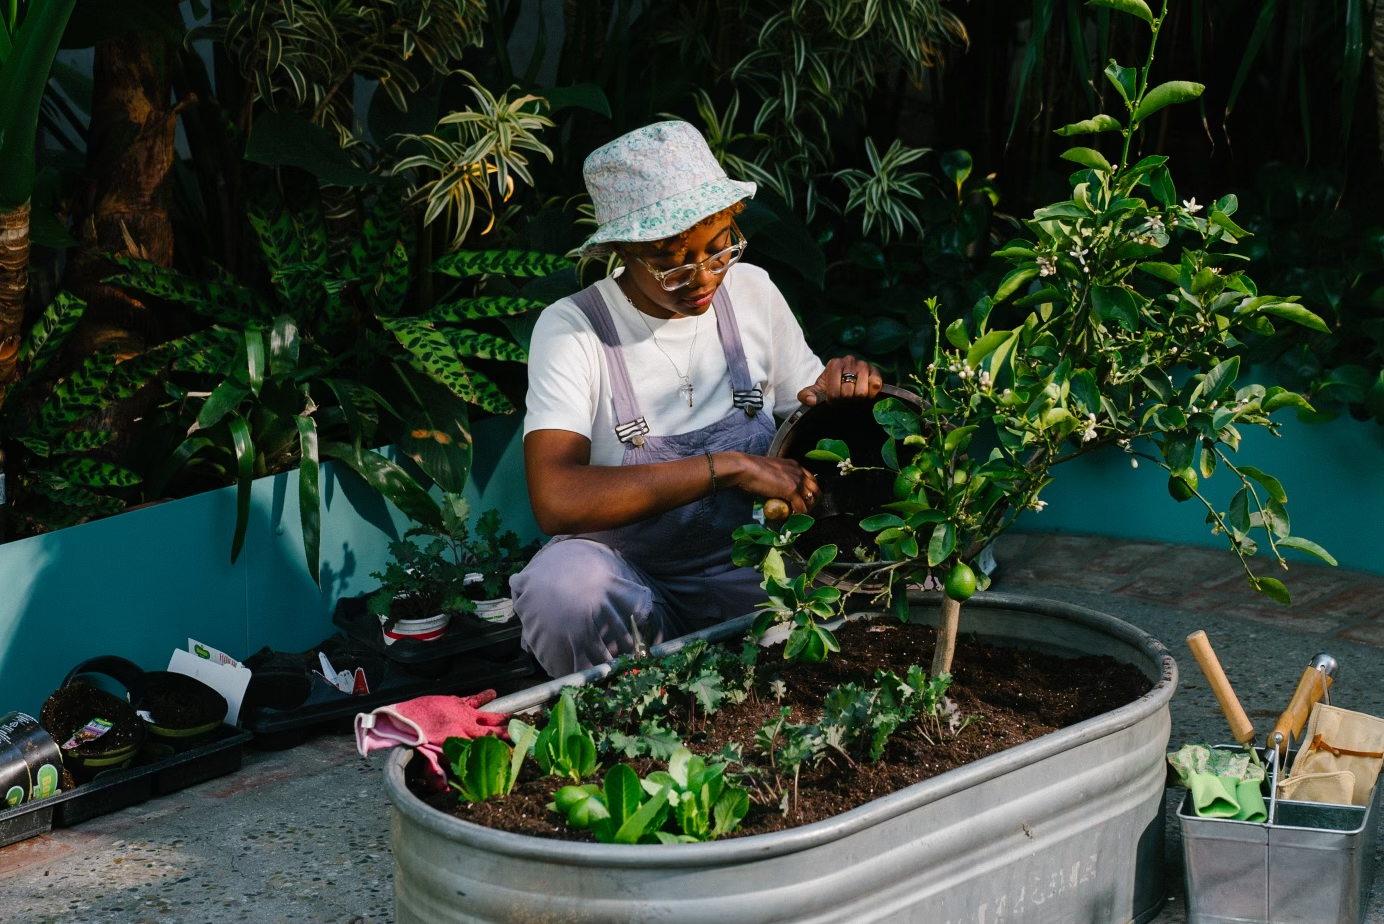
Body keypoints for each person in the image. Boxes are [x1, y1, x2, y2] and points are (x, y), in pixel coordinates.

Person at [511, 121, 882, 678]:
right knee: (562, 588)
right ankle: (618, 717)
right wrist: (726, 467)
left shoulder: (751, 293)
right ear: (621, 248)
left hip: (756, 573)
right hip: (636, 590)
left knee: (894, 589)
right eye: (671, 260)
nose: (705, 277)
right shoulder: (574, 330)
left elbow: (808, 415)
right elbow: (556, 498)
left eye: (720, 248)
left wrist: (843, 389)